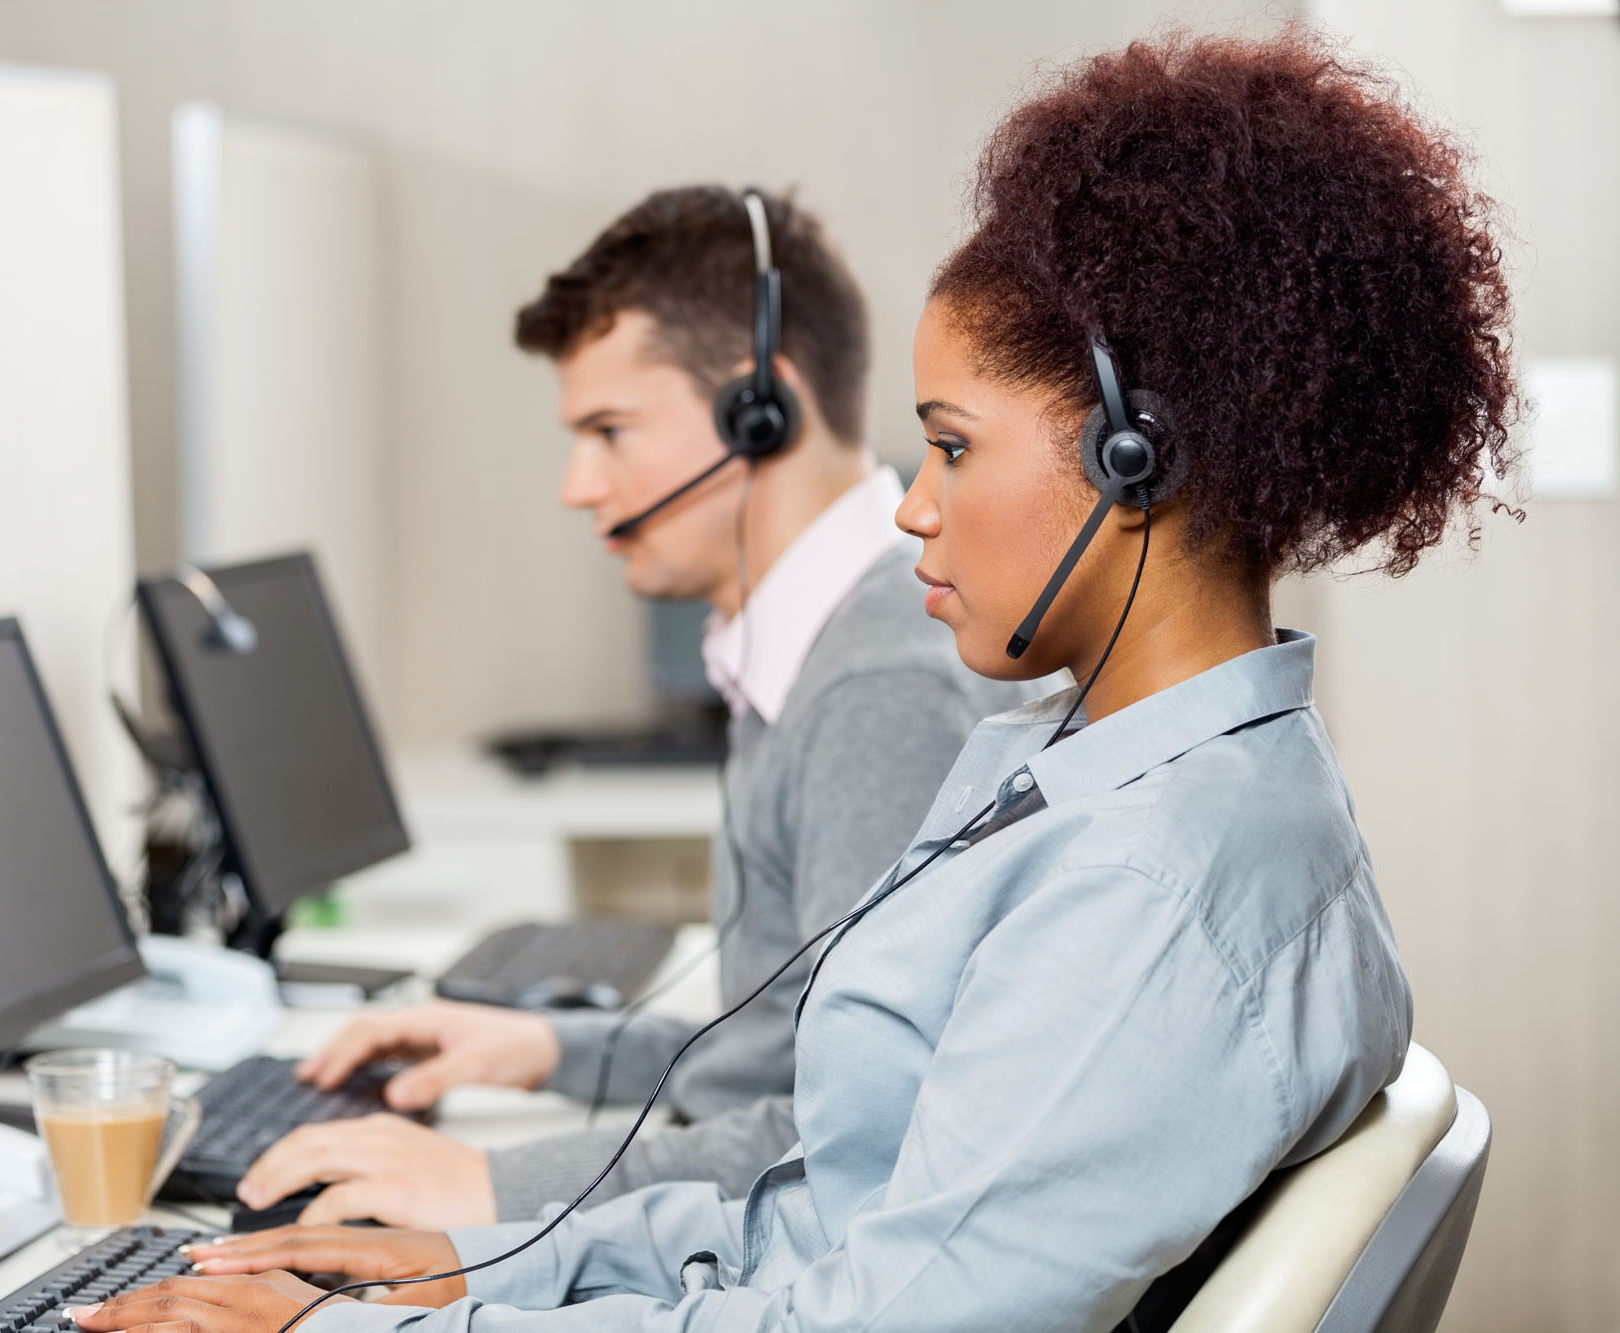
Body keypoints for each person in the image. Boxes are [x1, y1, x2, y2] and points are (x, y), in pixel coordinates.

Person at [73, 27, 1518, 1330]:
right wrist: (489, 1266)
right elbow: (841, 1206)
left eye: (951, 446)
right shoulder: (1107, 774)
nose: (910, 506)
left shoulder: (1153, 885)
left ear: (1133, 460)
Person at [233, 186, 1034, 1230]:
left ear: (760, 410)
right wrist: (552, 1050)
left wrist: (488, 1187)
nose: (576, 484)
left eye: (609, 430)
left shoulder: (876, 689)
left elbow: (852, 1143)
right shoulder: (806, 644)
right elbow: (776, 1058)